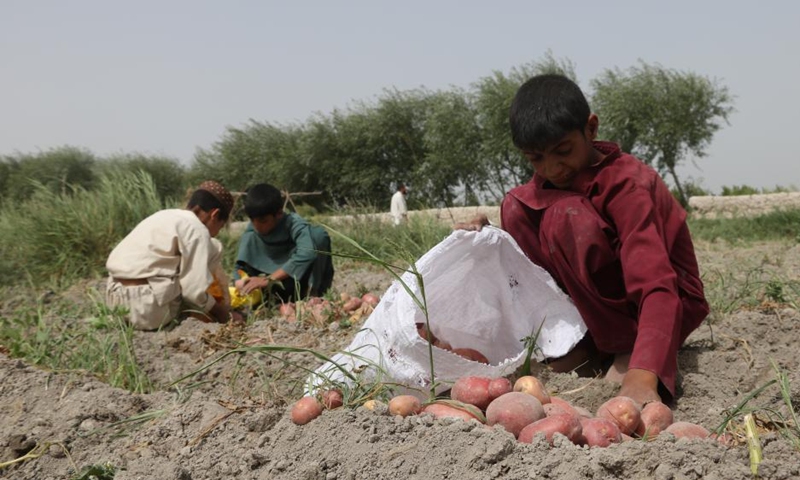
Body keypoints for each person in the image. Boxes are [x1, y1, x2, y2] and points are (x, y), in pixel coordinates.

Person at [467, 74, 709, 406]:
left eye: (562, 151)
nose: (552, 168)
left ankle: (625, 348)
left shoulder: (627, 185)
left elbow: (656, 283)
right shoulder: (552, 183)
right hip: (599, 310)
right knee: (517, 206)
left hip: (668, 301)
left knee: (564, 217)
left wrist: (643, 374)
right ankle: (578, 344)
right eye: (536, 159)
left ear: (591, 129)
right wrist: (488, 234)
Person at [105, 180, 237, 330]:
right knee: (213, 248)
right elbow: (193, 293)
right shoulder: (197, 230)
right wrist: (222, 313)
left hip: (114, 300)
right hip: (146, 310)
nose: (217, 232)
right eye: (220, 226)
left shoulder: (163, 215)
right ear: (215, 214)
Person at [234, 183, 334, 303]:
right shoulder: (252, 231)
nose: (257, 226)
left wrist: (269, 279)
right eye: (252, 220)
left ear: (279, 214)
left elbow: (308, 252)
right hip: (273, 288)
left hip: (298, 280)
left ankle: (312, 293)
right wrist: (240, 282)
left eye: (263, 221)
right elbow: (240, 266)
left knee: (318, 236)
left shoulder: (293, 223)